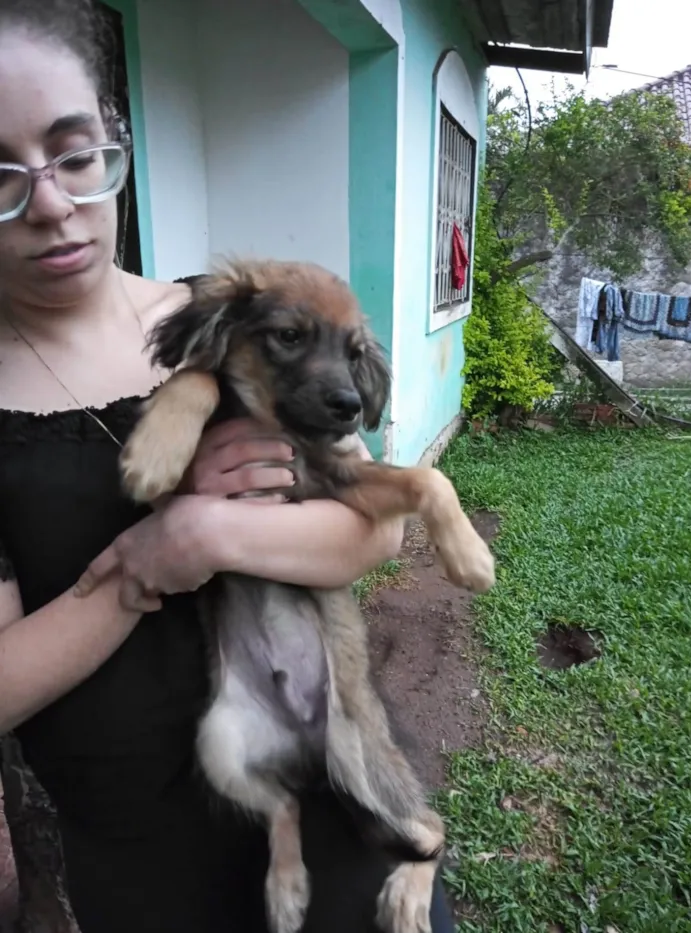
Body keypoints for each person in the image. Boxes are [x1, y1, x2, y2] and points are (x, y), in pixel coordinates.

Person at [0, 1, 456, 931]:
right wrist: (147, 564)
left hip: (331, 787)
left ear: (111, 147)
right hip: (139, 846)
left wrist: (212, 528)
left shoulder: (225, 321)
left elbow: (375, 526)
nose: (51, 205)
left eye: (76, 156)